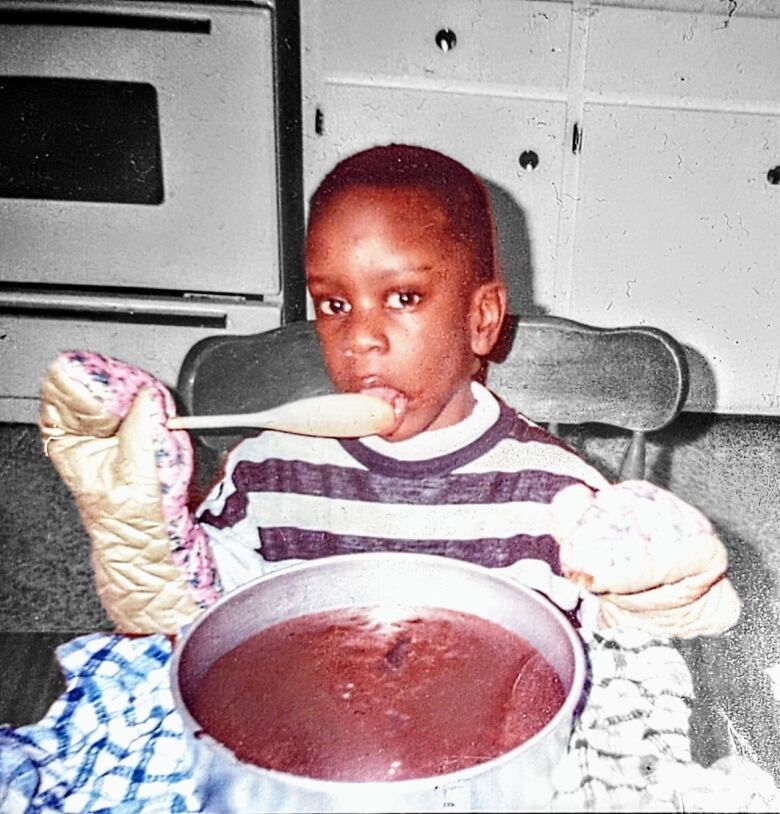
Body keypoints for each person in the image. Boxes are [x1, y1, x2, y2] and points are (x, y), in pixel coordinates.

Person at [39, 144, 740, 639]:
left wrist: (660, 594)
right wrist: (138, 531)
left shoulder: (552, 493)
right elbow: (204, 614)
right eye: (334, 305)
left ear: (482, 319)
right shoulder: (265, 470)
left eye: (403, 296)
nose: (361, 338)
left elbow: (614, 654)